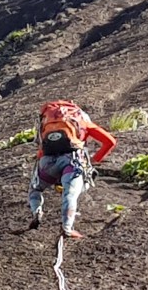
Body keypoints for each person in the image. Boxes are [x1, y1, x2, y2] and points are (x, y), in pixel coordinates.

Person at [28, 100, 117, 238]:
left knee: (35, 189)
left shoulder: (46, 123)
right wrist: (94, 160)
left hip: (47, 163)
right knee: (70, 194)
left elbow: (41, 151)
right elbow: (110, 142)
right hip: (72, 161)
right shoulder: (81, 121)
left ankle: (36, 211)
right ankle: (67, 228)